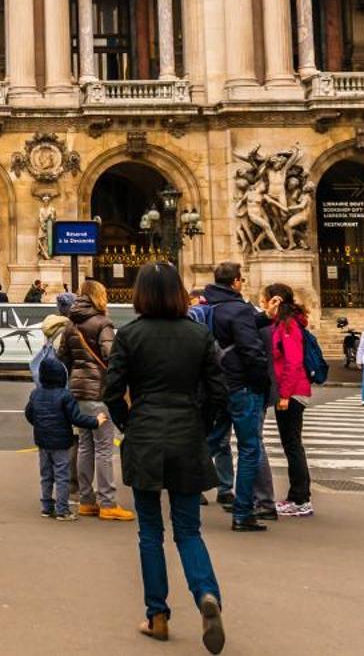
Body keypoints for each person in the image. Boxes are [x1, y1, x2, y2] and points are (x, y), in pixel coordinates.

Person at [103, 261, 228, 653]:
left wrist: (129, 423)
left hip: (144, 435)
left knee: (149, 533)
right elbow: (218, 392)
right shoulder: (198, 334)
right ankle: (207, 594)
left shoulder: (130, 335)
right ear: (177, 292)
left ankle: (157, 614)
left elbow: (111, 391)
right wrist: (201, 425)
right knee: (189, 530)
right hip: (187, 434)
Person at [199, 261, 272, 531]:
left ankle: (186, 492)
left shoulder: (207, 309)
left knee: (212, 440)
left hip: (216, 387)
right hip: (241, 387)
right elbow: (251, 351)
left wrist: (264, 317)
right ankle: (242, 512)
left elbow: (229, 326)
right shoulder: (239, 309)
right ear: (236, 282)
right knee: (249, 447)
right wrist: (262, 383)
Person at [63, 278, 132, 522]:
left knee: (85, 444)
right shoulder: (103, 323)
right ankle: (107, 502)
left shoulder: (71, 324)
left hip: (79, 391)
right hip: (100, 392)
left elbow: (64, 357)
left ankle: (86, 500)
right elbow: (111, 357)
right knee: (103, 447)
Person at [25, 347, 106, 518]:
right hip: (61, 442)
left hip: (42, 440)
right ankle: (62, 509)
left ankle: (47, 507)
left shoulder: (36, 393)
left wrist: (40, 425)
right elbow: (76, 418)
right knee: (62, 475)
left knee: (46, 475)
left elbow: (29, 414)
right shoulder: (65, 395)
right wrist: (96, 421)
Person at [263, 283, 314, 517]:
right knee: (291, 445)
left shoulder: (288, 325)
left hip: (291, 392)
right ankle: (298, 497)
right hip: (289, 391)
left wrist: (284, 395)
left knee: (292, 445)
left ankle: (300, 499)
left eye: (265, 299)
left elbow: (293, 362)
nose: (263, 303)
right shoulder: (283, 324)